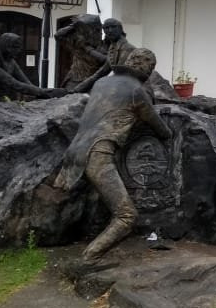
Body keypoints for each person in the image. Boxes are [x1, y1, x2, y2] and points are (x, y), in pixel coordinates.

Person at [55, 48, 172, 262]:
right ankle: (90, 257)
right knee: (127, 216)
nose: (151, 71)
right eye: (152, 67)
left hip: (74, 152)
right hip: (98, 154)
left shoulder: (101, 83)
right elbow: (162, 129)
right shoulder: (137, 91)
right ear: (146, 68)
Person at [0, 33, 66, 106]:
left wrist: (48, 93)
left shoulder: (11, 62)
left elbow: (26, 83)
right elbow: (15, 84)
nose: (19, 51)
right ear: (5, 47)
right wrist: (43, 92)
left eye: (19, 47)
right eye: (15, 47)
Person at [72, 18, 133, 93]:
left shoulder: (127, 48)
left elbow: (120, 75)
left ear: (120, 29)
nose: (110, 30)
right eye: (107, 28)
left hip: (134, 91)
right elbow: (101, 72)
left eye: (113, 27)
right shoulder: (112, 48)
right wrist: (77, 90)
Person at [55, 14, 107, 90]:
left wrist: (87, 49)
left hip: (92, 83)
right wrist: (73, 25)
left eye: (98, 31)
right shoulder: (78, 44)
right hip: (73, 80)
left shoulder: (103, 46)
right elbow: (58, 35)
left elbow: (106, 61)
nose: (99, 33)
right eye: (95, 30)